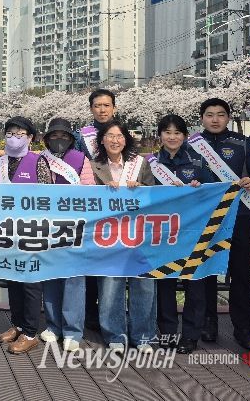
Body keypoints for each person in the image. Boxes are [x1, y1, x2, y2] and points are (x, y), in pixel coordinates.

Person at [193, 98, 250, 350]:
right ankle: (208, 324)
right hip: (204, 218)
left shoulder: (243, 143)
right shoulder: (191, 145)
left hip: (239, 217)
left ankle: (243, 329)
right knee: (205, 272)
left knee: (241, 273)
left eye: (220, 114)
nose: (215, 119)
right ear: (202, 118)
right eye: (209, 114)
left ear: (228, 117)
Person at [148, 114, 214, 355]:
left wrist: (199, 189)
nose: (172, 137)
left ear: (185, 136)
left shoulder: (197, 163)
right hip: (163, 233)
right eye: (167, 132)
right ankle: (167, 332)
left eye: (177, 133)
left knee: (194, 284)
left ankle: (190, 335)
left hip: (192, 232)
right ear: (160, 135)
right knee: (164, 283)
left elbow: (212, 192)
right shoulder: (150, 163)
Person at [90, 120, 156, 351]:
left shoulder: (140, 164)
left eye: (119, 136)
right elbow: (85, 197)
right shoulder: (93, 166)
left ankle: (144, 336)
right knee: (110, 285)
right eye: (110, 136)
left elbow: (154, 195)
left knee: (144, 284)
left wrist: (140, 187)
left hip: (138, 232)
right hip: (108, 235)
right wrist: (101, 190)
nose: (115, 140)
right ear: (102, 140)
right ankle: (115, 335)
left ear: (126, 140)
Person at [0, 116, 51, 355]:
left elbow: (48, 196)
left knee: (30, 283)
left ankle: (30, 332)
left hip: (31, 231)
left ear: (30, 138)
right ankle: (17, 324)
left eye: (20, 134)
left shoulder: (38, 162)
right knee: (13, 280)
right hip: (6, 230)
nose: (14, 138)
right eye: (10, 133)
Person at [39, 117, 94, 351]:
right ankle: (53, 326)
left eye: (63, 135)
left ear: (71, 139)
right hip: (48, 226)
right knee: (50, 276)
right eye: (54, 136)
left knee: (74, 279)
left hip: (75, 226)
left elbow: (89, 191)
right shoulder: (41, 159)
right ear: (47, 139)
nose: (58, 139)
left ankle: (73, 330)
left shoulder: (81, 159)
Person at [74, 88, 118, 331]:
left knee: (113, 264)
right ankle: (89, 314)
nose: (102, 110)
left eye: (106, 105)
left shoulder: (120, 132)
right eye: (97, 106)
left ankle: (111, 315)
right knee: (89, 260)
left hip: (116, 206)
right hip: (90, 205)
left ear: (114, 108)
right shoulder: (83, 136)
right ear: (91, 109)